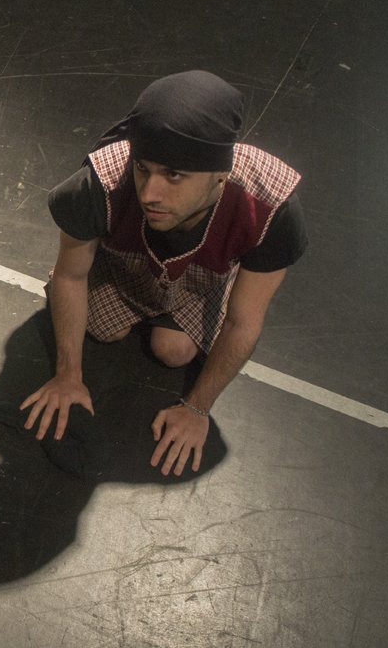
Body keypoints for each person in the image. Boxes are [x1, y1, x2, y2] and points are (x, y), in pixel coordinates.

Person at [21, 71, 307, 477]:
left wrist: (197, 408)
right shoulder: (96, 185)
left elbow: (243, 321)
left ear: (220, 175)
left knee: (174, 351)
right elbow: (69, 277)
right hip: (126, 264)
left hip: (203, 276)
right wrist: (68, 375)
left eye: (174, 175)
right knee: (101, 329)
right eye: (143, 169)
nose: (149, 194)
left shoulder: (270, 208)